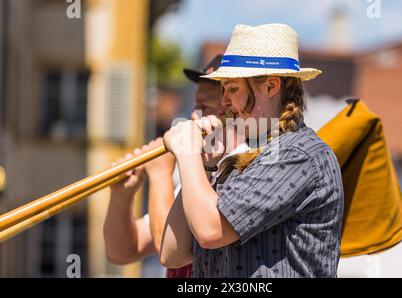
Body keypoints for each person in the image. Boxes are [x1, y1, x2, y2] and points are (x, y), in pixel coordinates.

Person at [160, 23, 344, 277]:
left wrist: (187, 152)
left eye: (233, 89)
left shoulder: (298, 154)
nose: (224, 101)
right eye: (224, 89)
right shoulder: (244, 159)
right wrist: (203, 165)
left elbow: (210, 231)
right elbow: (172, 252)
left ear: (271, 87)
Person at [103, 55, 224, 277]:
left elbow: (168, 250)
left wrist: (160, 173)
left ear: (231, 112)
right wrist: (122, 196)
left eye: (204, 107)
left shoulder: (238, 174)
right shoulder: (194, 173)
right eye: (195, 105)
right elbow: (122, 251)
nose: (193, 116)